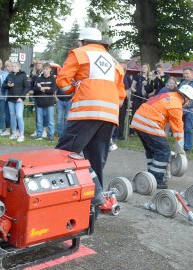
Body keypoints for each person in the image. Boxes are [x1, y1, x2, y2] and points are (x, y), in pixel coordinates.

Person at [55, 27, 126, 206]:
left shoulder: (79, 53)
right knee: (96, 157)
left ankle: (59, 195)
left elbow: (63, 80)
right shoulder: (114, 61)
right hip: (109, 115)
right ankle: (95, 200)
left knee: (64, 153)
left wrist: (74, 89)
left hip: (86, 110)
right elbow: (121, 95)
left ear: (82, 41)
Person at [130, 85, 193, 189]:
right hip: (149, 122)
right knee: (164, 151)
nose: (187, 104)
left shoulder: (168, 95)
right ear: (186, 98)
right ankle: (155, 179)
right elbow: (178, 128)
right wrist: (180, 149)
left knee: (152, 150)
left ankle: (149, 175)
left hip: (138, 120)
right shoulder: (176, 104)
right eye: (189, 101)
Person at [3, 62, 29, 142]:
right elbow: (3, 85)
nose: (13, 67)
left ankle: (21, 134)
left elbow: (27, 87)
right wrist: (8, 85)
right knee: (12, 116)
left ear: (19, 67)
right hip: (11, 99)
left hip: (19, 100)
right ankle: (14, 133)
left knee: (19, 116)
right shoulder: (9, 75)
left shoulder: (23, 75)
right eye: (12, 66)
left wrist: (22, 97)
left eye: (15, 66)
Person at [33, 63, 57, 141]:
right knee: (39, 120)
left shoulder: (53, 79)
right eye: (44, 69)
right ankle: (39, 134)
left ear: (50, 69)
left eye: (47, 69)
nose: (45, 71)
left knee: (50, 120)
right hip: (40, 102)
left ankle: (51, 136)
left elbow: (52, 90)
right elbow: (35, 89)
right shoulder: (39, 78)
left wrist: (42, 88)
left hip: (50, 103)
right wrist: (44, 88)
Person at [129, 63, 151, 136]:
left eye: (145, 67)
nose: (144, 68)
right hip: (136, 98)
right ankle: (131, 131)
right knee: (134, 114)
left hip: (145, 99)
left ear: (148, 69)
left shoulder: (149, 78)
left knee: (143, 115)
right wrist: (136, 92)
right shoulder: (137, 76)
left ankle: (141, 131)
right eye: (142, 67)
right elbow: (132, 87)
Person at [0, 59, 11, 136]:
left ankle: (0, 128)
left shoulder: (6, 74)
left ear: (2, 65)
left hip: (2, 96)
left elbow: (4, 84)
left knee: (1, 113)